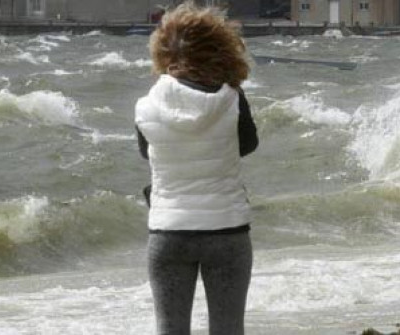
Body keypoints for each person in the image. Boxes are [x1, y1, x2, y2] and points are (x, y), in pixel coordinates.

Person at [134, 2, 258, 334]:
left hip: (169, 232)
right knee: (228, 329)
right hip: (227, 230)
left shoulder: (146, 107)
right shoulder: (232, 99)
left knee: (170, 329)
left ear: (161, 52)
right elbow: (248, 145)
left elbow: (148, 155)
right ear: (222, 47)